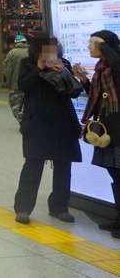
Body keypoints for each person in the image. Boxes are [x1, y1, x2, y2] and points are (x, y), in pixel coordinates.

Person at [13, 34, 83, 225]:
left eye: (53, 47)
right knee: (33, 165)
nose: (50, 52)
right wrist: (39, 68)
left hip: (63, 122)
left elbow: (74, 92)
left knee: (63, 165)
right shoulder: (28, 63)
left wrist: (64, 73)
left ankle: (59, 207)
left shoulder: (64, 63)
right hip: (38, 122)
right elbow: (23, 85)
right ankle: (23, 208)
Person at [72, 30, 120, 235]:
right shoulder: (102, 69)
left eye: (92, 43)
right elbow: (100, 96)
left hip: (118, 131)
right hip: (107, 131)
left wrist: (105, 46)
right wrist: (84, 80)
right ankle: (118, 218)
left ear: (104, 47)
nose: (88, 47)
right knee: (115, 174)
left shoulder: (115, 67)